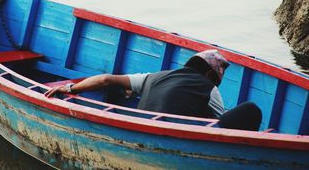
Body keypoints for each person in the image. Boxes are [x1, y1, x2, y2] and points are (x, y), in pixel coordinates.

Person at [46, 49, 262, 130]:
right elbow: (223, 125)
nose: (215, 85)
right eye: (216, 80)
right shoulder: (210, 89)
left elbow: (105, 79)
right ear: (208, 76)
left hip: (139, 129)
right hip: (181, 139)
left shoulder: (153, 77)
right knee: (251, 109)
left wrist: (70, 88)